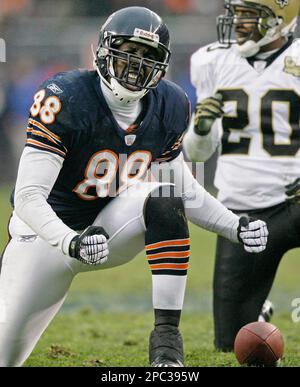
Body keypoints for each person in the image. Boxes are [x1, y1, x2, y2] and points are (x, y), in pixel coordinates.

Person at [0, 6, 268, 367]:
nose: (135, 65)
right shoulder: (66, 97)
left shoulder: (170, 104)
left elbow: (184, 190)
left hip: (110, 228)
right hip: (47, 238)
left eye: (148, 57)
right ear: (104, 51)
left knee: (163, 196)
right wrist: (70, 241)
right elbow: (30, 197)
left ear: (161, 65)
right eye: (128, 50)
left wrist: (236, 225)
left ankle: (167, 344)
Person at [184, 0, 300, 352]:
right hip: (243, 214)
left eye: (250, 14)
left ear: (282, 19)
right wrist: (201, 130)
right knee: (234, 342)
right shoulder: (211, 60)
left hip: (295, 200)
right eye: (236, 13)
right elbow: (197, 153)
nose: (237, 22)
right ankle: (257, 308)